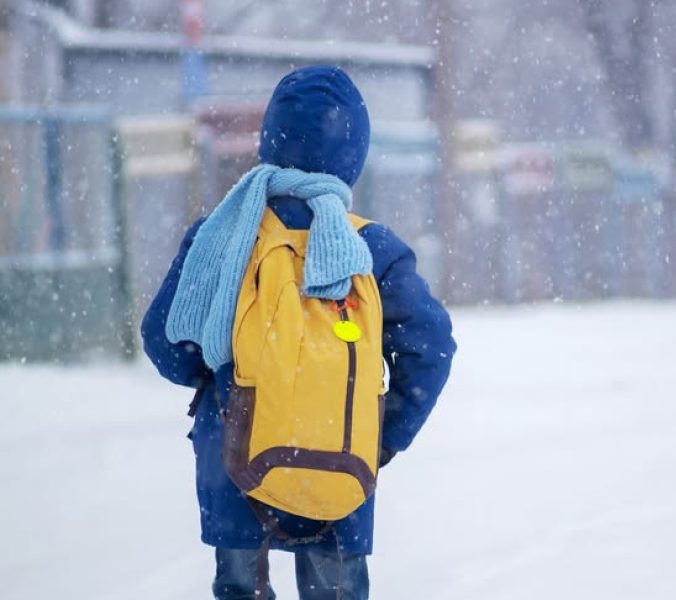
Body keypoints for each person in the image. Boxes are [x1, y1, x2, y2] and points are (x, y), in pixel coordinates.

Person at [141, 65, 456, 600]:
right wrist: (381, 435)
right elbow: (432, 348)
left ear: (270, 139)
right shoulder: (372, 249)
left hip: (236, 460)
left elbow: (166, 343)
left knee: (241, 589)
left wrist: (229, 382)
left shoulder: (222, 234)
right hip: (339, 459)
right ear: (354, 153)